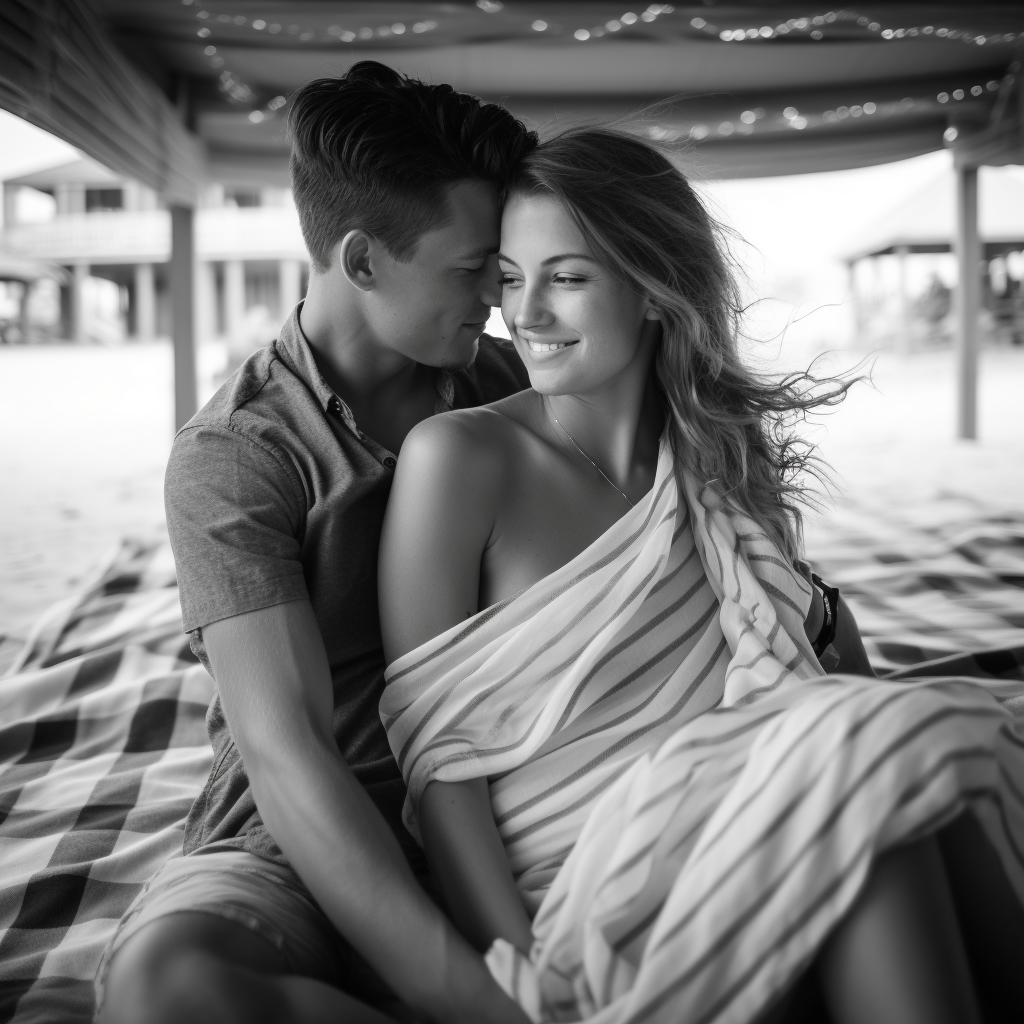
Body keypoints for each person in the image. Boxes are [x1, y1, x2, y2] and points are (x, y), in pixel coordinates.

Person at [378, 127, 1024, 1024]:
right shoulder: (459, 459)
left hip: (747, 820)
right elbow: (438, 766)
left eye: (564, 277)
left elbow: (802, 659)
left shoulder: (713, 461)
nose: (523, 315)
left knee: (893, 793)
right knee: (867, 786)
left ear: (651, 285)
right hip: (587, 893)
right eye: (510, 279)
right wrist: (517, 980)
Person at [97, 63, 539, 1024]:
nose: (501, 300)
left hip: (520, 807)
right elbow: (288, 754)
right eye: (472, 269)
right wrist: (476, 1000)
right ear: (363, 259)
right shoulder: (239, 455)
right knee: (164, 992)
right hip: (301, 836)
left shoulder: (516, 387)